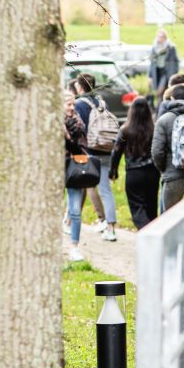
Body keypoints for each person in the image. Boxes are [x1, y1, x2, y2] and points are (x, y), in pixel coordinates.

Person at [72, 74, 118, 242]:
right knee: (106, 191)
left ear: (80, 87)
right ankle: (111, 228)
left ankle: (72, 220)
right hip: (105, 148)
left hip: (90, 150)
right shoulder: (101, 102)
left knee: (80, 186)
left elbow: (79, 129)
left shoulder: (79, 104)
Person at [110, 97, 159, 229]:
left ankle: (147, 234)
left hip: (134, 173)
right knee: (151, 206)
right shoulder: (154, 129)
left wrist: (113, 171)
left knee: (137, 207)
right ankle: (154, 234)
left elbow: (116, 152)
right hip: (152, 172)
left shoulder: (125, 130)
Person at [152, 84, 184, 212]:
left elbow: (157, 151)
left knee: (168, 219)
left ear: (172, 99)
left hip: (172, 175)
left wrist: (165, 169)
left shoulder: (163, 120)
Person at [63, 92, 90, 263]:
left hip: (74, 166)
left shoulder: (78, 123)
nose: (72, 108)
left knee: (75, 209)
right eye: (68, 104)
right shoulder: (49, 123)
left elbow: (80, 146)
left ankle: (74, 246)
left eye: (73, 104)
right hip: (55, 168)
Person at [148, 29, 180, 102]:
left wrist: (174, 72)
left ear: (165, 38)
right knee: (160, 93)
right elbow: (152, 62)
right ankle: (162, 106)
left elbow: (176, 61)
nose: (160, 39)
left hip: (166, 72)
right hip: (157, 72)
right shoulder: (154, 47)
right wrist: (149, 76)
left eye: (162, 37)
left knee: (160, 91)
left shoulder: (171, 47)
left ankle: (160, 108)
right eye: (158, 37)